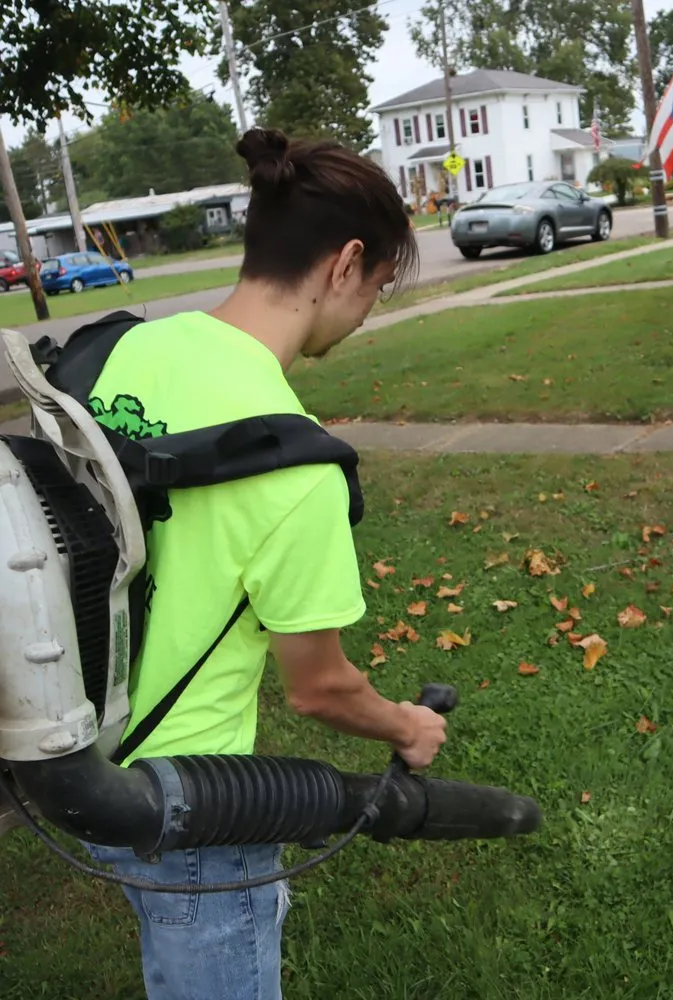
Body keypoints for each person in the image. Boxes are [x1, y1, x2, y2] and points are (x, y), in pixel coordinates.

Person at [82, 127, 447, 1000]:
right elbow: (318, 688)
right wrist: (407, 727)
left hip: (86, 752)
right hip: (192, 809)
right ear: (346, 263)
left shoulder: (122, 349)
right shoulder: (298, 468)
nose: (366, 314)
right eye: (380, 288)